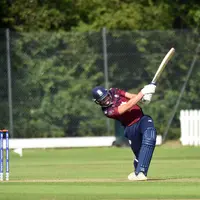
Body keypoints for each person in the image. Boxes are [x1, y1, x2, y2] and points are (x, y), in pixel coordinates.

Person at [91, 84, 157, 181]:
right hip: (130, 127)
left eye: (105, 97)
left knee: (150, 135)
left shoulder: (114, 91)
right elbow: (127, 106)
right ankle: (137, 170)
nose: (106, 101)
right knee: (139, 154)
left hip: (141, 119)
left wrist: (143, 98)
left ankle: (141, 172)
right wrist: (142, 93)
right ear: (98, 102)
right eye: (102, 100)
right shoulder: (108, 111)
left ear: (108, 93)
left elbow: (131, 96)